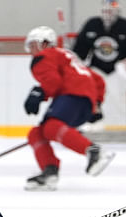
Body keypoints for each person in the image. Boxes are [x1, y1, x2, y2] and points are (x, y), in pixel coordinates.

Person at [22, 25, 115, 191]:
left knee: (50, 128)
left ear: (44, 43)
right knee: (37, 133)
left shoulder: (45, 55)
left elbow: (53, 82)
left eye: (33, 45)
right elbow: (98, 80)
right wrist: (97, 104)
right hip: (84, 101)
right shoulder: (70, 57)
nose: (30, 50)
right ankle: (49, 172)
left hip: (72, 96)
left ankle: (95, 152)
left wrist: (39, 93)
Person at [72, 0, 126, 144]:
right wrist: (75, 58)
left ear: (117, 11)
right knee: (83, 92)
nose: (108, 13)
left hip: (117, 71)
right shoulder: (92, 24)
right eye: (105, 10)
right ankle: (82, 123)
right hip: (97, 70)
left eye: (111, 10)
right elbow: (80, 48)